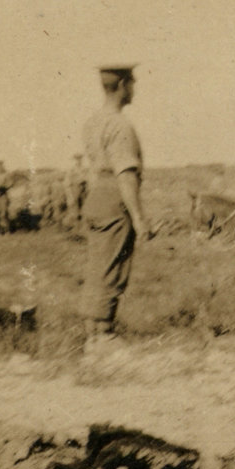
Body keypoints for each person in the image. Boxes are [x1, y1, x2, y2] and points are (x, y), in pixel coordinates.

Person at [80, 63, 153, 342]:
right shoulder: (120, 125)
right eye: (132, 83)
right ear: (122, 85)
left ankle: (93, 333)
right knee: (113, 266)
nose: (135, 88)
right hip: (114, 198)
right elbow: (125, 175)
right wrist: (139, 218)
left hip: (96, 196)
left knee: (97, 266)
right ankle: (103, 336)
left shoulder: (93, 122)